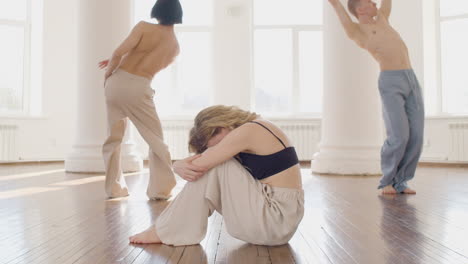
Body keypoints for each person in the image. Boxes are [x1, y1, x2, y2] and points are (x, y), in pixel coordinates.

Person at [129, 105, 304, 246]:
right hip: (278, 221)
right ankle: (166, 228)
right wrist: (181, 164)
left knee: (219, 163)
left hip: (275, 221)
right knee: (216, 162)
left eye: (217, 144)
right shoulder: (258, 126)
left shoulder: (250, 130)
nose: (221, 148)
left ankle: (163, 230)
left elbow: (200, 165)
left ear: (221, 127)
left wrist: (177, 165)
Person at [328, 0, 424, 194]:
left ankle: (402, 181)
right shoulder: (356, 31)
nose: (374, 3)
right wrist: (336, 4)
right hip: (390, 81)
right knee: (399, 135)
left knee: (416, 136)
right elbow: (337, 6)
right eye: (369, 2)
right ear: (361, 9)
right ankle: (387, 181)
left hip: (411, 79)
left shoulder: (382, 18)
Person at [98, 0, 183, 199]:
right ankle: (160, 190)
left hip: (115, 83)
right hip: (139, 86)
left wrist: (107, 75)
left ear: (157, 10)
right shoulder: (175, 47)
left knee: (113, 138)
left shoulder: (143, 27)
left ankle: (114, 189)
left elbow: (119, 53)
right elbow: (149, 65)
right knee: (155, 140)